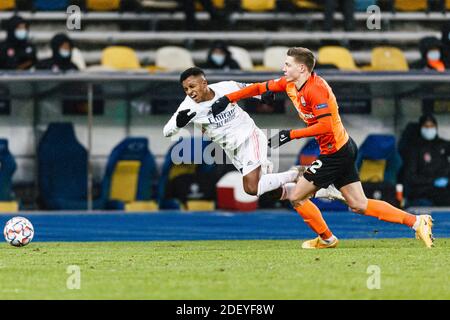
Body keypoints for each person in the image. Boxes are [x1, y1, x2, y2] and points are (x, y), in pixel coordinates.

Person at [211, 47, 434, 249]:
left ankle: (327, 237)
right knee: (359, 204)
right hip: (341, 149)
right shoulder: (290, 84)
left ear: (301, 68)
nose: (283, 68)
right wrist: (228, 99)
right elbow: (260, 87)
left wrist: (290, 135)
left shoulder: (316, 90)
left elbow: (325, 125)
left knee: (297, 197)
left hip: (335, 152)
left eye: (287, 64)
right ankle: (416, 221)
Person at [163, 67, 344, 202]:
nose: (190, 92)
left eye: (192, 86)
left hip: (250, 138)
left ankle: (297, 172)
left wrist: (262, 95)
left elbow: (248, 88)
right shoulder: (187, 107)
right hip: (233, 151)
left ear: (204, 83)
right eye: (186, 89)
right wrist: (178, 124)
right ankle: (319, 191)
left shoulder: (226, 87)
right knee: (270, 191)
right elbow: (167, 131)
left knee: (251, 188)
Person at [404, 114, 450, 206]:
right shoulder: (414, 148)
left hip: (444, 190)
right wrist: (432, 181)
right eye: (426, 126)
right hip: (423, 192)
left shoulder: (443, 145)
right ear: (421, 128)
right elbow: (411, 177)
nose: (429, 129)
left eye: (432, 126)